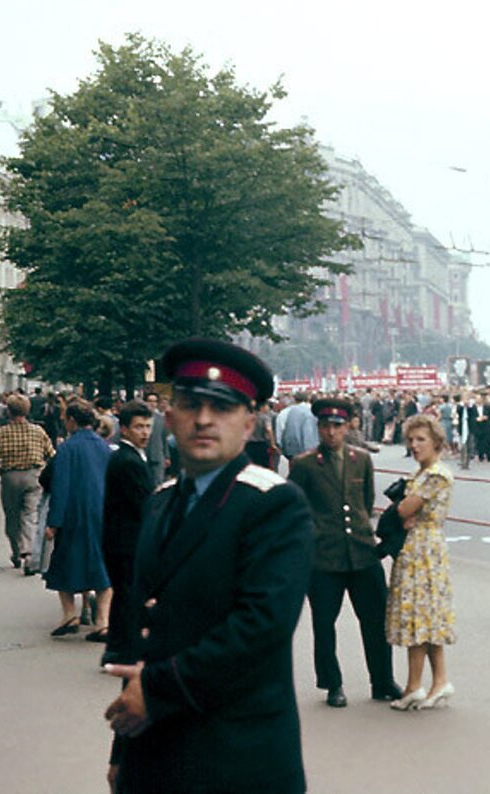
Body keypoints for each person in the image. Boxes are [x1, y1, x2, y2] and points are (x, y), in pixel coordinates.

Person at [104, 338, 313, 794]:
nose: (203, 419)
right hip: (154, 750)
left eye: (221, 408)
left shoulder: (274, 504)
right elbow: (142, 631)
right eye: (191, 404)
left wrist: (157, 690)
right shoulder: (159, 504)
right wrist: (123, 750)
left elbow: (262, 625)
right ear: (171, 416)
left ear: (249, 422)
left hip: (237, 757)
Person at [289, 399, 400, 708]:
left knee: (376, 619)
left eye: (337, 426)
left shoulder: (361, 459)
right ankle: (333, 684)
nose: (331, 432)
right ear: (319, 428)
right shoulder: (304, 464)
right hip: (324, 558)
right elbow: (295, 508)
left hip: (363, 553)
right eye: (325, 426)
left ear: (348, 426)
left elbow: (365, 500)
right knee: (325, 624)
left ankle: (382, 680)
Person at [387, 414, 457, 711]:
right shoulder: (423, 474)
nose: (414, 446)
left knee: (416, 614)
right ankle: (439, 680)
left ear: (436, 443)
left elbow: (404, 509)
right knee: (427, 617)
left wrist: (404, 510)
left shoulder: (434, 475)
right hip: (423, 545)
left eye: (420, 440)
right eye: (411, 440)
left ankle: (414, 685)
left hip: (422, 547)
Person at [43, 400, 112, 639]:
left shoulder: (67, 448)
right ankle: (102, 621)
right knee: (101, 565)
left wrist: (54, 521)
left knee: (64, 563)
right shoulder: (104, 447)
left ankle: (70, 614)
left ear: (71, 420)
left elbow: (60, 486)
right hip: (102, 513)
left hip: (74, 514)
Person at [101, 400, 155, 664]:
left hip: (119, 538)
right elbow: (145, 503)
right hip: (127, 540)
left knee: (124, 595)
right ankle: (124, 650)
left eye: (147, 426)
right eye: (138, 427)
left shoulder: (127, 456)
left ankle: (116, 647)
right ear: (124, 429)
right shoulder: (129, 460)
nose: (145, 432)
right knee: (129, 596)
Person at [0, 393, 55, 573]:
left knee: (12, 516)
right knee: (30, 515)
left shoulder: (2, 432)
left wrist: (2, 472)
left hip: (10, 477)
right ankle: (29, 554)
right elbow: (52, 454)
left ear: (8, 410)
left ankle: (16, 552)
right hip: (34, 475)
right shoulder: (38, 431)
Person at [143, 392, 169, 486]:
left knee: (158, 484)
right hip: (143, 455)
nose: (152, 403)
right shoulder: (139, 418)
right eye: (149, 401)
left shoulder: (161, 419)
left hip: (158, 455)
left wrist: (167, 456)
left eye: (155, 401)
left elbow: (164, 438)